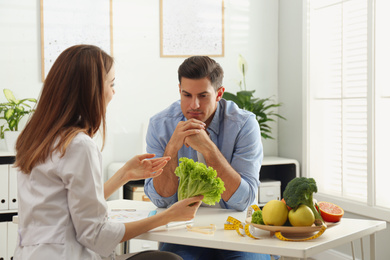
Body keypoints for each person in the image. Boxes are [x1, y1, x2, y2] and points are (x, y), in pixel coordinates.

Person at [13, 44, 203, 260]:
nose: (114, 91)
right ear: (91, 90)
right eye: (111, 84)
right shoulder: (78, 145)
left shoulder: (34, 139)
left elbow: (68, 207)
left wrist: (125, 174)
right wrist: (168, 217)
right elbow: (96, 235)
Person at [144, 56, 270, 260]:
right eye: (187, 95)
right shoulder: (160, 125)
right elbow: (161, 199)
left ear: (219, 93)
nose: (193, 105)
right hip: (183, 231)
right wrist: (172, 149)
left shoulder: (244, 124)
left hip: (236, 228)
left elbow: (243, 200)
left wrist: (209, 149)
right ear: (179, 90)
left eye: (203, 96)